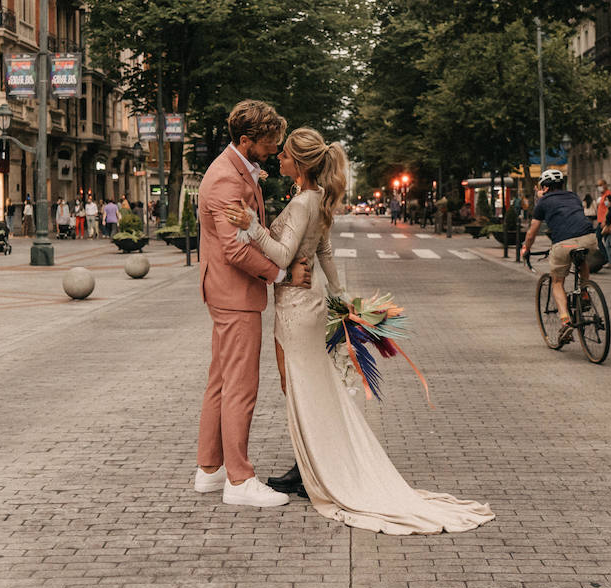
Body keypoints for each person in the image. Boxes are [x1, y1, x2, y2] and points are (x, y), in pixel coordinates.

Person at [223, 126, 493, 534]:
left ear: (299, 162)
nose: (277, 157)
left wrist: (251, 224)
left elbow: (280, 254)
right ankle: (309, 463)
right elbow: (324, 251)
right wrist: (340, 294)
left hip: (296, 304)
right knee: (309, 385)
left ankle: (314, 468)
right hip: (309, 299)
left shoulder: (301, 204)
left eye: (284, 155)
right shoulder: (314, 200)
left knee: (297, 385)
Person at [194, 100, 310, 507]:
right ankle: (240, 481)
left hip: (226, 293)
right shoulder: (228, 180)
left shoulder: (236, 171)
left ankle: (210, 470)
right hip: (235, 295)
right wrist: (281, 275)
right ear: (246, 141)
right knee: (241, 387)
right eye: (269, 144)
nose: (274, 152)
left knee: (222, 382)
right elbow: (235, 250)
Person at [521, 169, 600, 345]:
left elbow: (532, 232)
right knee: (581, 259)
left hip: (563, 243)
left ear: (545, 187)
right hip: (589, 238)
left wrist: (526, 248)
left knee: (557, 282)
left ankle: (565, 321)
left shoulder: (542, 202)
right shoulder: (573, 197)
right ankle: (585, 291)